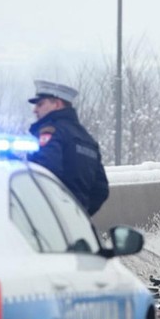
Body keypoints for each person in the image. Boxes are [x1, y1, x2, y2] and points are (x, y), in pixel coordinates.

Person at [27, 79, 109, 216]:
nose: (35, 110)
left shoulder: (51, 132)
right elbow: (101, 189)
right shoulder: (87, 139)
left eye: (40, 104)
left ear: (57, 104)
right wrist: (80, 213)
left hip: (50, 216)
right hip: (76, 220)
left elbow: (43, 171)